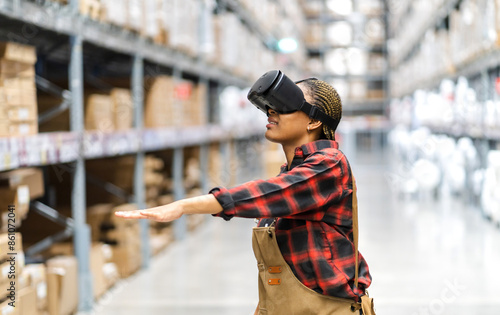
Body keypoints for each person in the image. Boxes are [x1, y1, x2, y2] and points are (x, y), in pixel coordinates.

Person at [115, 74, 374, 314]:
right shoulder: (292, 170)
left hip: (328, 308)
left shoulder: (329, 164)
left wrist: (185, 206)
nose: (271, 111)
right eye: (270, 106)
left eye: (286, 104)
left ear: (314, 120)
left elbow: (268, 194)